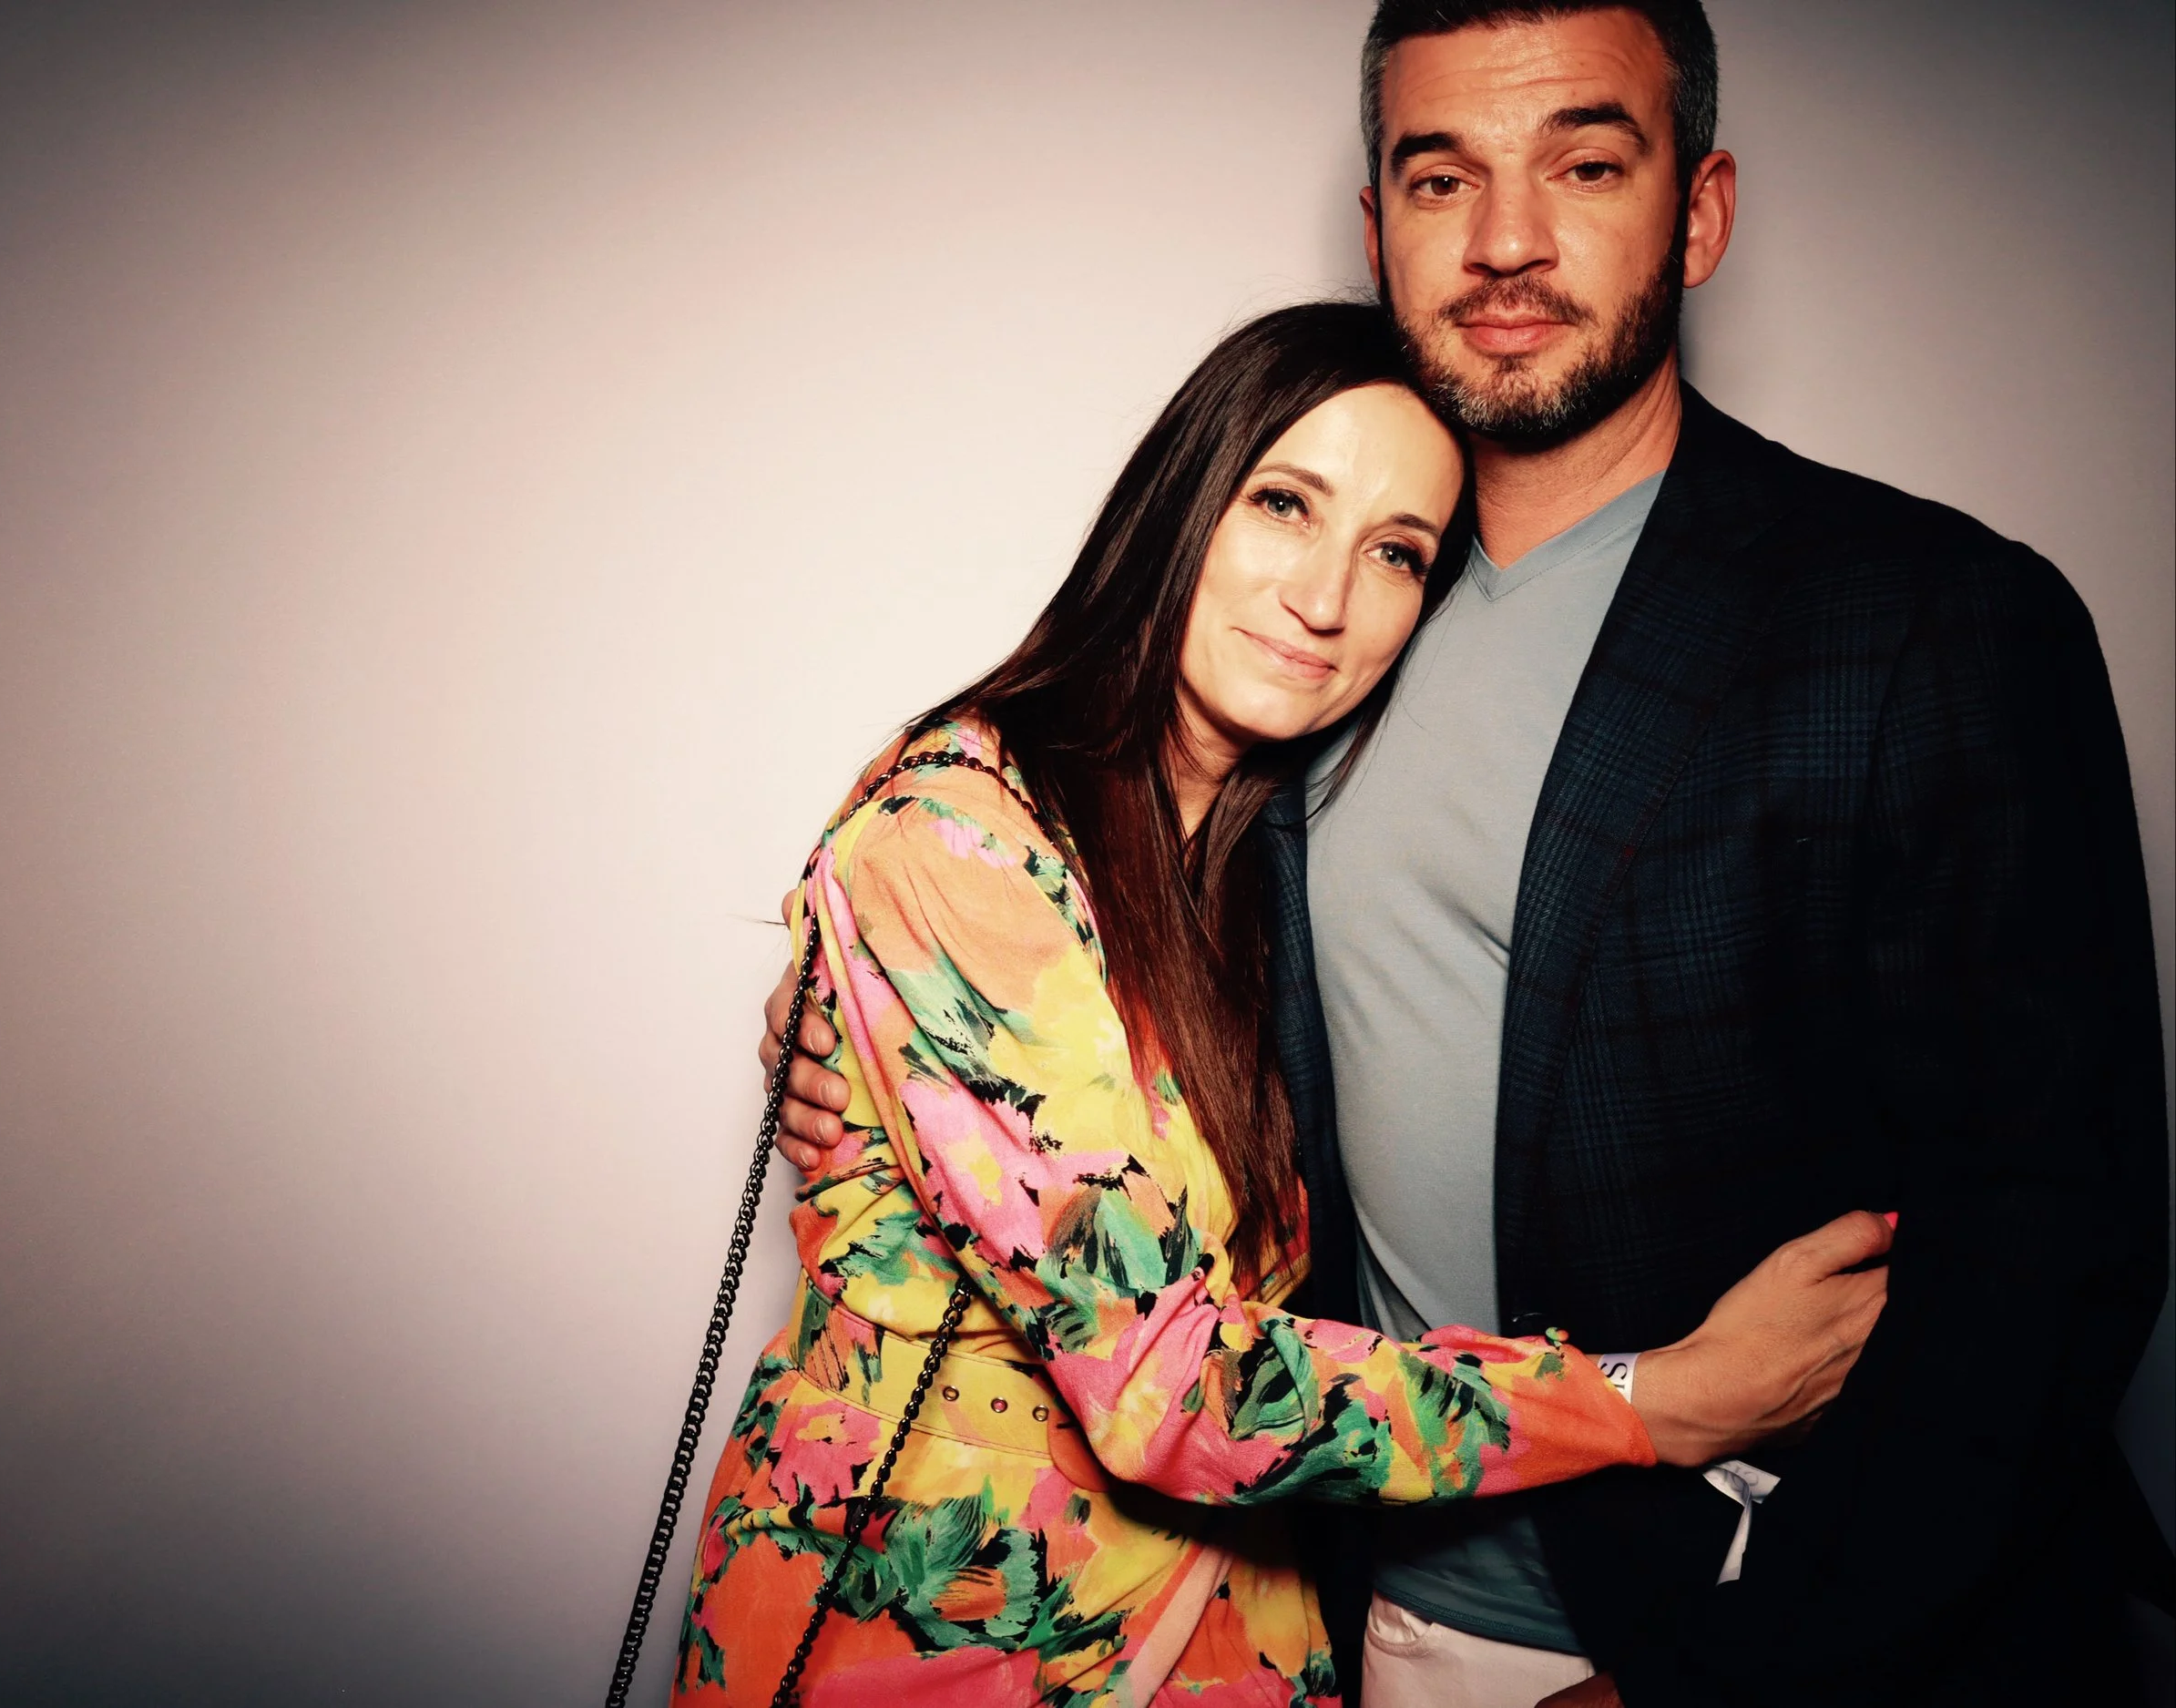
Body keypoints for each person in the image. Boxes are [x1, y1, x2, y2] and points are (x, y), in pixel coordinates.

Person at [770, 5, 2171, 1706]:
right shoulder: (1305, 659)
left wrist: (1727, 1674)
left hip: (1761, 1628)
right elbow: (1107, 1022)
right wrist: (869, 1045)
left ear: (1700, 210)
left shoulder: (1933, 619)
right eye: (1445, 178)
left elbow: (2048, 1247)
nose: (1508, 240)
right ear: (1377, 231)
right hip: (1353, 1614)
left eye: (1585, 165)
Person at [680, 302, 1892, 1708]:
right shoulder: (959, 837)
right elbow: (1169, 1388)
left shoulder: (1274, 858)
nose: (1326, 597)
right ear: (1183, 498)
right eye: (1284, 503)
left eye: (1396, 553)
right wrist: (1656, 1398)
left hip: (1226, 1640)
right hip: (934, 1652)